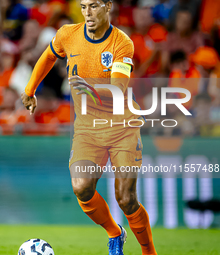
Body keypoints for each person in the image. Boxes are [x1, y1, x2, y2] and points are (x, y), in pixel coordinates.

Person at [21, 0, 157, 255]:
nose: (87, 12)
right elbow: (49, 55)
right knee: (82, 187)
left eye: (93, 6)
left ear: (108, 6)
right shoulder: (67, 34)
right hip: (87, 128)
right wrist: (30, 90)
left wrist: (88, 89)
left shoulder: (121, 43)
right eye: (83, 6)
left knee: (126, 199)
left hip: (122, 127)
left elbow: (117, 90)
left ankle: (149, 252)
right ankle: (115, 233)